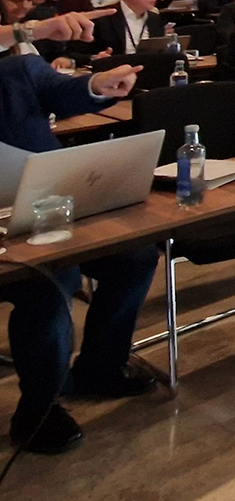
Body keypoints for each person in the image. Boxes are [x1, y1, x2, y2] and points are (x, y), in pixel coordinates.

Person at [0, 53, 157, 455]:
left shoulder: (16, 70)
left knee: (135, 255)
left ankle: (100, 368)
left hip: (46, 210)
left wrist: (96, 84)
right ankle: (38, 410)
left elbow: (63, 90)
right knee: (52, 281)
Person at [86, 0, 165, 57]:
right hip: (114, 64)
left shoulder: (155, 19)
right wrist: (94, 57)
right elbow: (77, 53)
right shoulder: (102, 17)